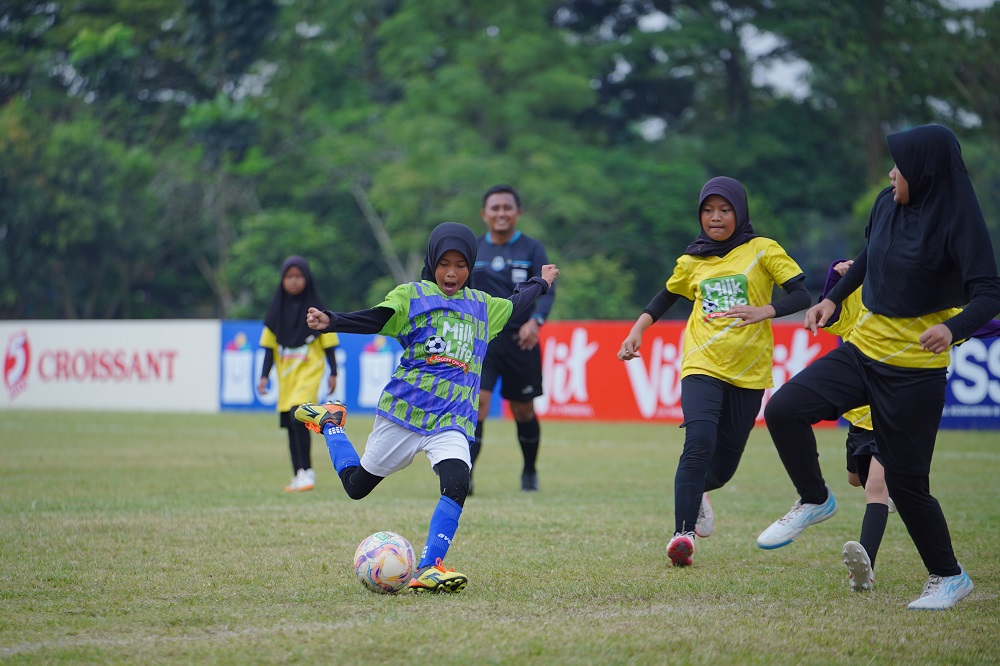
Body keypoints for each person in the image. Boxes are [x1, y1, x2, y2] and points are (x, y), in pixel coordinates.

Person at [757, 124, 1000, 610]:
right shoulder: (887, 205)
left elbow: (990, 294)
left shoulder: (959, 222)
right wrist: (832, 300)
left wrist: (953, 330)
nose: (891, 174)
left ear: (925, 173)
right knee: (784, 409)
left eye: (901, 167)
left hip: (914, 372)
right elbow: (869, 256)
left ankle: (949, 577)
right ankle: (814, 498)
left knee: (907, 487)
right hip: (862, 351)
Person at [294, 222, 559, 593]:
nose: (452, 272)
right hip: (405, 412)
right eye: (445, 263)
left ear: (471, 266)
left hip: (451, 420)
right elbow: (378, 317)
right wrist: (334, 320)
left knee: (457, 482)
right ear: (432, 261)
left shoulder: (483, 307)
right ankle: (331, 423)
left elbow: (517, 302)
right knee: (356, 487)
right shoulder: (412, 296)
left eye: (462, 265)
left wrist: (542, 282)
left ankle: (428, 566)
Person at [618, 176, 812, 567]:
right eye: (708, 210)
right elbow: (667, 294)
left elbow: (802, 294)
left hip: (750, 370)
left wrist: (765, 311)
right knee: (699, 441)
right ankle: (682, 536)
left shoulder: (763, 250)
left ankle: (699, 493)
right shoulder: (693, 259)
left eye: (724, 210)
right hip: (701, 363)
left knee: (722, 470)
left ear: (739, 212)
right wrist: (638, 329)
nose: (715, 217)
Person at [821, 259, 1000, 593]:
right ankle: (890, 495)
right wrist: (836, 272)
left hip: (897, 417)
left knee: (875, 486)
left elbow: (979, 324)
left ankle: (864, 570)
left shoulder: (929, 309)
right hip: (860, 419)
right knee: (856, 479)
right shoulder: (860, 297)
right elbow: (830, 314)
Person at [471, 184, 556, 493]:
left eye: (507, 207)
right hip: (484, 339)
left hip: (522, 340)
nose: (501, 213)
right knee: (477, 404)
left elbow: (548, 291)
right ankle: (465, 476)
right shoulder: (474, 248)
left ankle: (529, 471)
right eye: (495, 208)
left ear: (518, 213)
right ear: (484, 214)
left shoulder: (532, 249)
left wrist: (536, 321)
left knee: (523, 410)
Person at [257, 256, 339, 492]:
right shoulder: (275, 313)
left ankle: (308, 471)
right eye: (289, 277)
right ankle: (298, 474)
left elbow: (329, 343)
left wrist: (333, 372)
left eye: (298, 276)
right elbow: (269, 349)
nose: (293, 281)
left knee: (298, 416)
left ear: (307, 279)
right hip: (287, 380)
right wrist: (264, 376)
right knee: (290, 426)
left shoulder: (316, 311)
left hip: (309, 375)